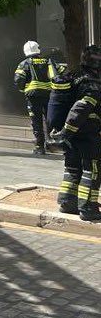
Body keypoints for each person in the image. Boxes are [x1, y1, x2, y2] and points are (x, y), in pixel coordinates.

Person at [55, 45, 101, 221]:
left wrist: (66, 133)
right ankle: (88, 207)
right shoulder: (93, 82)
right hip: (87, 133)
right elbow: (81, 107)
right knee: (92, 170)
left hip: (73, 135)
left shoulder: (75, 77)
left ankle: (67, 202)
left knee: (73, 168)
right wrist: (68, 130)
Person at [14, 40, 58, 155]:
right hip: (48, 94)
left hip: (33, 96)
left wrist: (22, 89)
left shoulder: (24, 63)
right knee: (50, 118)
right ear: (38, 49)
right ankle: (51, 143)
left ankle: (39, 147)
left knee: (36, 121)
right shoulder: (48, 61)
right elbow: (56, 75)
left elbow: (18, 79)